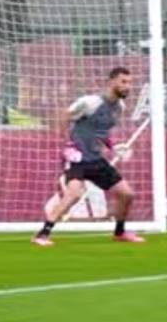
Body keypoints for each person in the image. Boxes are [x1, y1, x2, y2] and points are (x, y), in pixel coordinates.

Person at [32, 67, 143, 247]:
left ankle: (120, 232)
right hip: (77, 157)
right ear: (111, 81)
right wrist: (65, 142)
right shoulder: (90, 102)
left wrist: (112, 146)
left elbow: (102, 132)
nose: (127, 86)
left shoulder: (119, 107)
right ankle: (42, 234)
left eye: (130, 83)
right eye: (123, 82)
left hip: (96, 159)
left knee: (127, 194)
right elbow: (66, 115)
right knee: (73, 194)